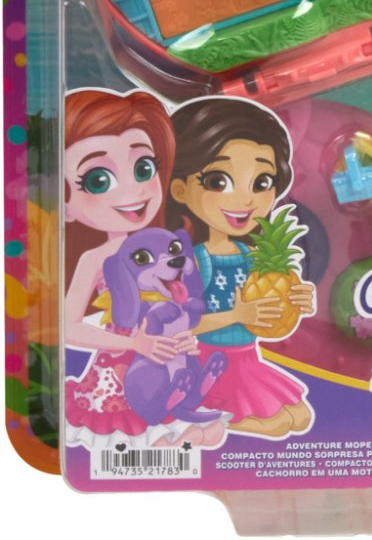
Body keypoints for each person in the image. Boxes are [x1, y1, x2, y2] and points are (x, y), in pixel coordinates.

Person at [64, 89, 207, 442]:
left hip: (167, 363)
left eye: (144, 168)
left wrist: (184, 337)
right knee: (137, 436)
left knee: (188, 429)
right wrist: (133, 345)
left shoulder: (165, 246)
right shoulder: (95, 259)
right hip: (117, 373)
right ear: (65, 204)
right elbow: (66, 328)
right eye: (98, 180)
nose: (133, 189)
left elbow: (180, 304)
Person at [167, 96, 315, 438]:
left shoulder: (253, 257)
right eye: (218, 181)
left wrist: (296, 302)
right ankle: (205, 413)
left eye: (261, 183)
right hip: (210, 363)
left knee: (299, 417)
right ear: (180, 189)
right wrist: (237, 315)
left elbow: (271, 318)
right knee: (277, 425)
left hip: (247, 360)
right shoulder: (196, 260)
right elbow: (183, 323)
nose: (247, 199)